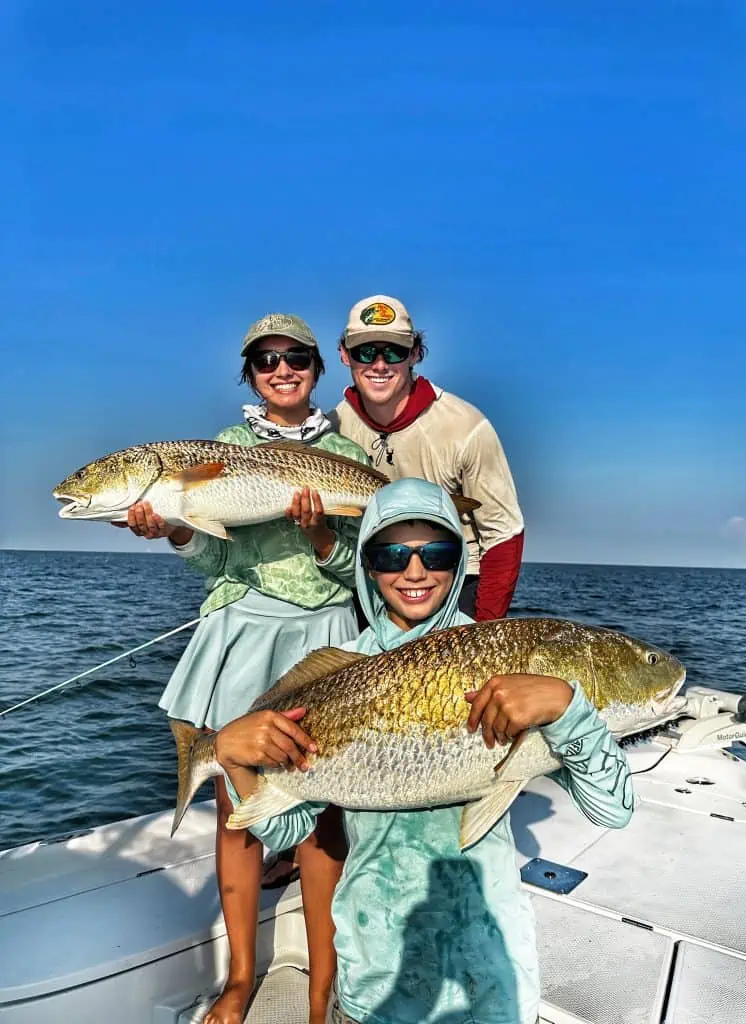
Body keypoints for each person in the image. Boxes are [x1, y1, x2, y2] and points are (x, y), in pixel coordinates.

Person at [215, 478, 634, 1024]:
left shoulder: (513, 663)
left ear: (459, 561)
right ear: (367, 564)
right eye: (392, 554)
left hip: (491, 982)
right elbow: (287, 832)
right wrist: (231, 758)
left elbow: (614, 810)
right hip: (374, 976)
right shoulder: (345, 665)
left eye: (436, 553)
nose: (415, 572)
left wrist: (570, 706)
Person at [112, 312, 370, 1024]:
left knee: (323, 813)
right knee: (236, 813)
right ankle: (238, 979)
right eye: (265, 360)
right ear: (250, 374)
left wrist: (321, 532)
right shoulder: (224, 447)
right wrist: (172, 529)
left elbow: (356, 573)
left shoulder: (348, 454)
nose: (281, 370)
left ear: (318, 370)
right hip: (242, 632)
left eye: (295, 358)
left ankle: (324, 987)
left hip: (322, 633)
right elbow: (217, 559)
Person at [329, 294, 525, 621]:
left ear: (416, 354)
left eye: (394, 351)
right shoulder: (331, 430)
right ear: (344, 356)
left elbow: (505, 534)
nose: (379, 364)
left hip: (455, 584)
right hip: (371, 584)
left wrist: (482, 628)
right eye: (365, 351)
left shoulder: (467, 426)